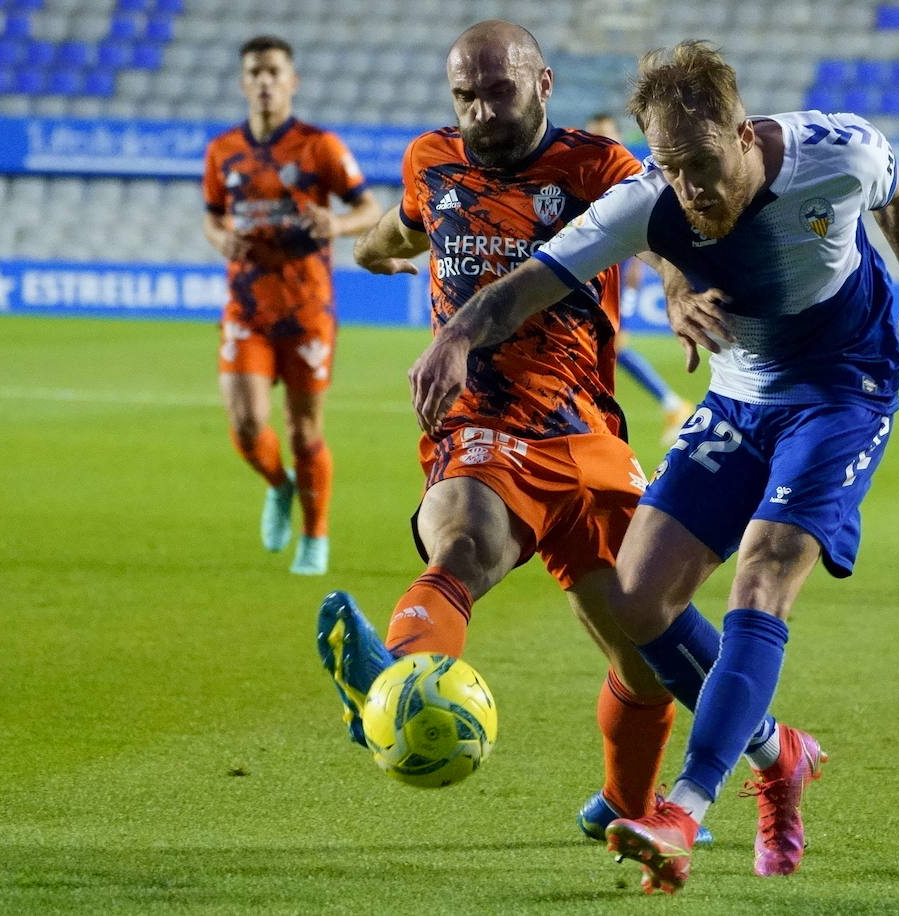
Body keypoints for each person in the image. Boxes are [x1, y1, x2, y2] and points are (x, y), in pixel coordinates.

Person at [407, 41, 899, 894]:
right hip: (739, 395)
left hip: (844, 388)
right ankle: (779, 752)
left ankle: (683, 810)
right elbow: (527, 285)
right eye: (670, 166)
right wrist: (456, 336)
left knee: (762, 578)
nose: (690, 186)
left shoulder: (836, 153)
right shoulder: (647, 201)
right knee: (636, 600)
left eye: (701, 163)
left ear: (740, 133)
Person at [316, 20, 739, 846]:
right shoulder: (428, 159)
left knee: (644, 654)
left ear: (542, 83)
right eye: (463, 96)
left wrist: (684, 290)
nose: (478, 111)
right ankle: (392, 683)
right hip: (481, 417)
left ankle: (627, 802)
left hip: (586, 429)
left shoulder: (595, 167)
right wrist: (369, 254)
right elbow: (406, 226)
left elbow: (665, 235)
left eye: (495, 91)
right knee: (465, 549)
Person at [202, 35, 382, 575]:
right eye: (254, 72)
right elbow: (212, 217)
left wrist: (337, 223)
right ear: (243, 82)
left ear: (291, 81)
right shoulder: (222, 151)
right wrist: (220, 240)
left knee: (304, 432)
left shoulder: (319, 146)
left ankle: (315, 534)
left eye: (274, 72)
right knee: (247, 425)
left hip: (306, 310)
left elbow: (369, 206)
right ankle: (278, 486)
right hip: (247, 309)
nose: (263, 81)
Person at [585, 112, 694, 446]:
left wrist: (632, 276)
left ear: (619, 135)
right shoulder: (591, 175)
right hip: (597, 273)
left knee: (611, 345)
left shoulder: (628, 174)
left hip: (615, 274)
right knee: (604, 346)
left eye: (606, 135)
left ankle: (673, 405)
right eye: (595, 137)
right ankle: (671, 406)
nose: (601, 143)